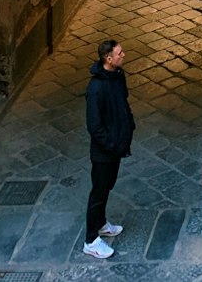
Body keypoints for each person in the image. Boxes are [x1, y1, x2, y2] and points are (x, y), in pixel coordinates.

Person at [83, 39, 136, 259]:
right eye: (119, 53)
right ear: (108, 58)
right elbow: (94, 125)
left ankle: (102, 223)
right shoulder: (95, 88)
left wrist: (129, 123)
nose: (123, 55)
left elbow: (123, 99)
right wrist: (111, 144)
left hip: (116, 146)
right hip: (105, 151)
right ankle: (90, 240)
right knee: (98, 192)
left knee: (108, 186)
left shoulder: (118, 75)